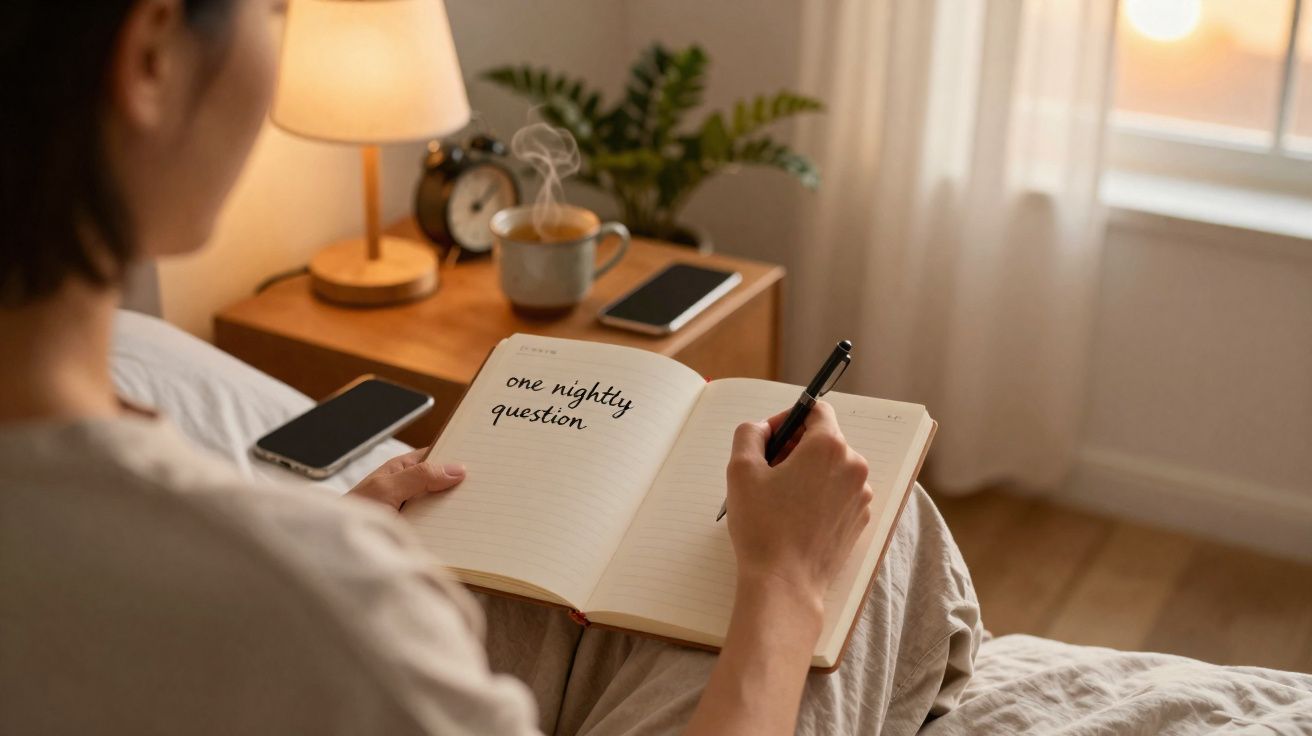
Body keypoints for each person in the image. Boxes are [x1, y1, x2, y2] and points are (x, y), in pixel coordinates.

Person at [0, 1, 982, 734]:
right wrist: (783, 586)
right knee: (879, 533)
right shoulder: (303, 597)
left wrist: (330, 535)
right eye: (272, 7)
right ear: (150, 56)